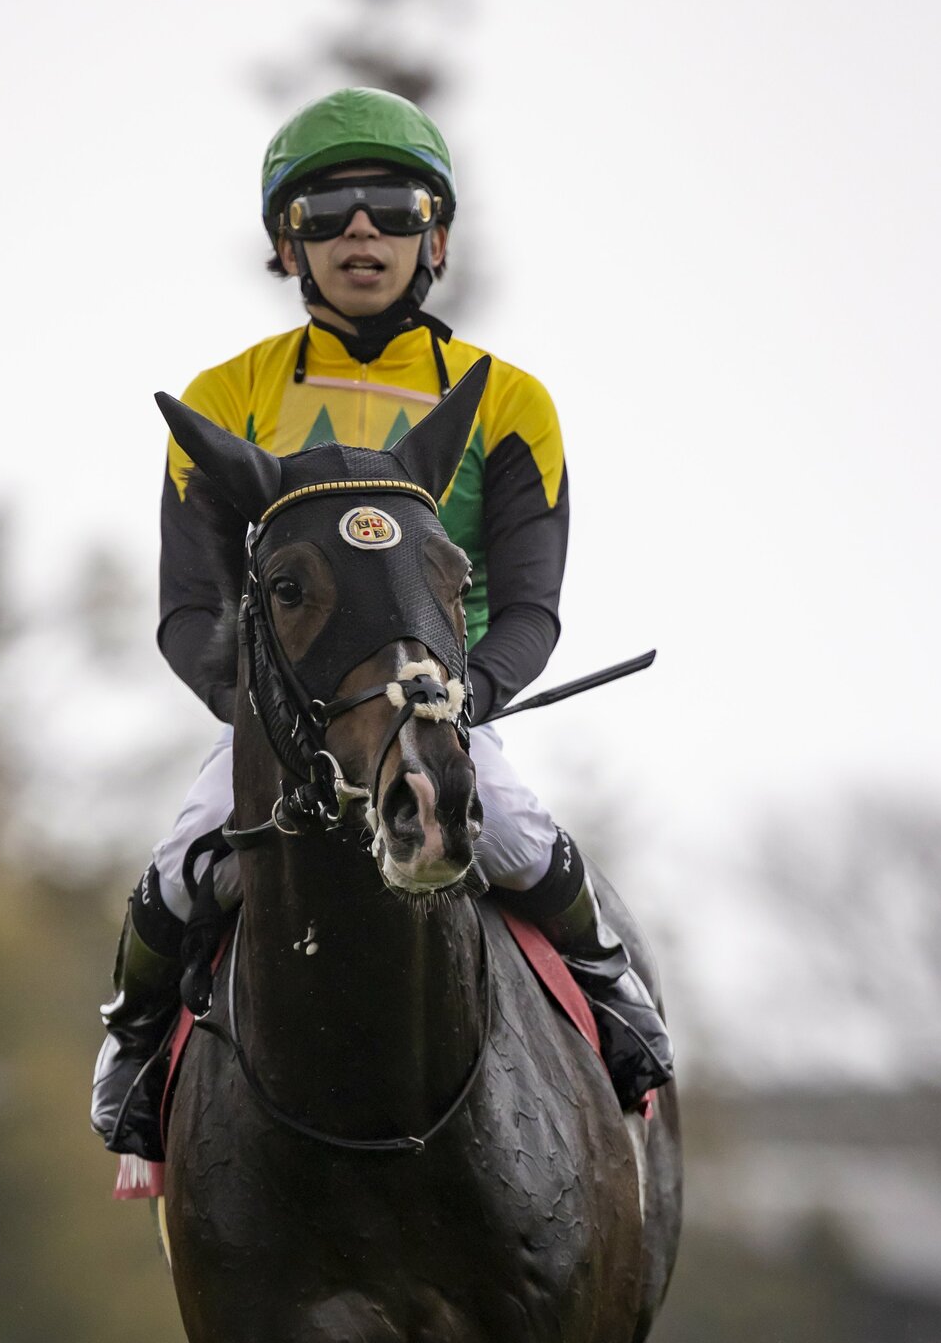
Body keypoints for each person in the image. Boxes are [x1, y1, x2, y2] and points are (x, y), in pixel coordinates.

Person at [93, 86, 672, 1159]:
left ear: (434, 234)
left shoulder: (509, 401)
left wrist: (465, 699)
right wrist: (264, 721)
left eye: (393, 205)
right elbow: (188, 612)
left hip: (438, 707)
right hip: (282, 719)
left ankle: (616, 996)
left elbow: (531, 604)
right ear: (287, 243)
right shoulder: (223, 399)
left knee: (509, 826)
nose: (363, 229)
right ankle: (130, 1054)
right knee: (179, 868)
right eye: (329, 208)